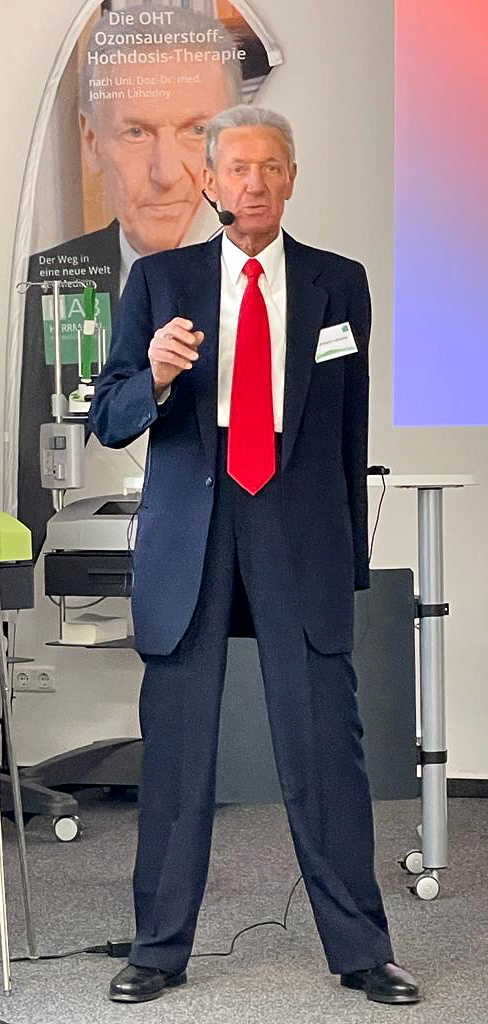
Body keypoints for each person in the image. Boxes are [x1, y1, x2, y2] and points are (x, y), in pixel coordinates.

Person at [88, 105, 421, 1007]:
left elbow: (349, 431)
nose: (255, 182)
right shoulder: (160, 280)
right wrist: (156, 375)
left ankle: (363, 949)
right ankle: (158, 950)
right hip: (194, 529)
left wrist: (350, 558)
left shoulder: (337, 283)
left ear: (292, 178)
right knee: (178, 753)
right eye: (237, 167)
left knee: (327, 751)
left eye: (271, 167)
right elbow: (109, 415)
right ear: (210, 181)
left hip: (298, 526)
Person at [19, 4, 246, 558]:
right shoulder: (37, 286)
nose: (167, 173)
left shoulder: (280, 283)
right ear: (91, 139)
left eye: (196, 129)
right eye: (137, 131)